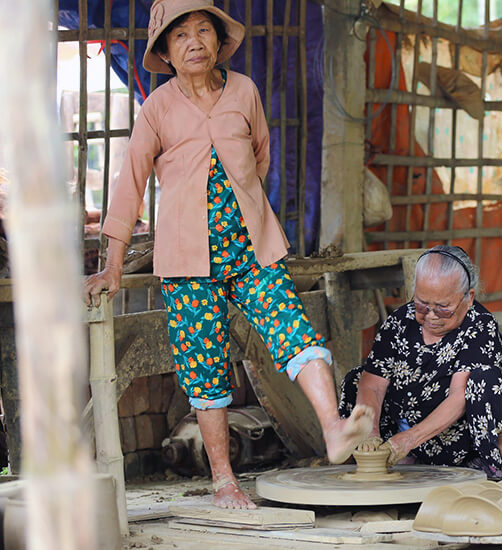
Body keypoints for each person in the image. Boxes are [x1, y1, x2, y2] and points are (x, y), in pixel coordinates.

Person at [82, 0, 373, 509]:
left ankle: (333, 428)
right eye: (180, 36)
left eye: (202, 31)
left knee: (295, 333)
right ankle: (224, 481)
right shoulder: (158, 108)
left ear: (220, 42)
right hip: (186, 263)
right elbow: (129, 187)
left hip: (252, 253)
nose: (193, 41)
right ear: (167, 53)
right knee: (204, 366)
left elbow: (260, 155)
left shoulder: (243, 91)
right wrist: (111, 264)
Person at [339, 245, 502, 479]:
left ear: (467, 298)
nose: (431, 316)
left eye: (443, 307)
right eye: (422, 304)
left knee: (486, 379)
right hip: (411, 440)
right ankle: (363, 469)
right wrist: (370, 435)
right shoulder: (399, 323)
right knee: (356, 379)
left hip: (465, 441)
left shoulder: (480, 326)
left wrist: (407, 440)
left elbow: (459, 397)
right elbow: (372, 384)